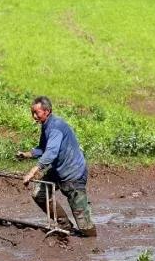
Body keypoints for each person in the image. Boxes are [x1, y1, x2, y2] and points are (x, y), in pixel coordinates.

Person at [16, 96, 97, 238]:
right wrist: (27, 154)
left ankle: (91, 242)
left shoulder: (56, 127)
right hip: (58, 171)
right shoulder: (46, 125)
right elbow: (44, 149)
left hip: (73, 173)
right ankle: (65, 224)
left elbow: (51, 153)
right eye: (32, 112)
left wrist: (34, 170)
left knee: (84, 224)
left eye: (37, 112)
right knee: (39, 193)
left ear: (47, 111)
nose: (34, 116)